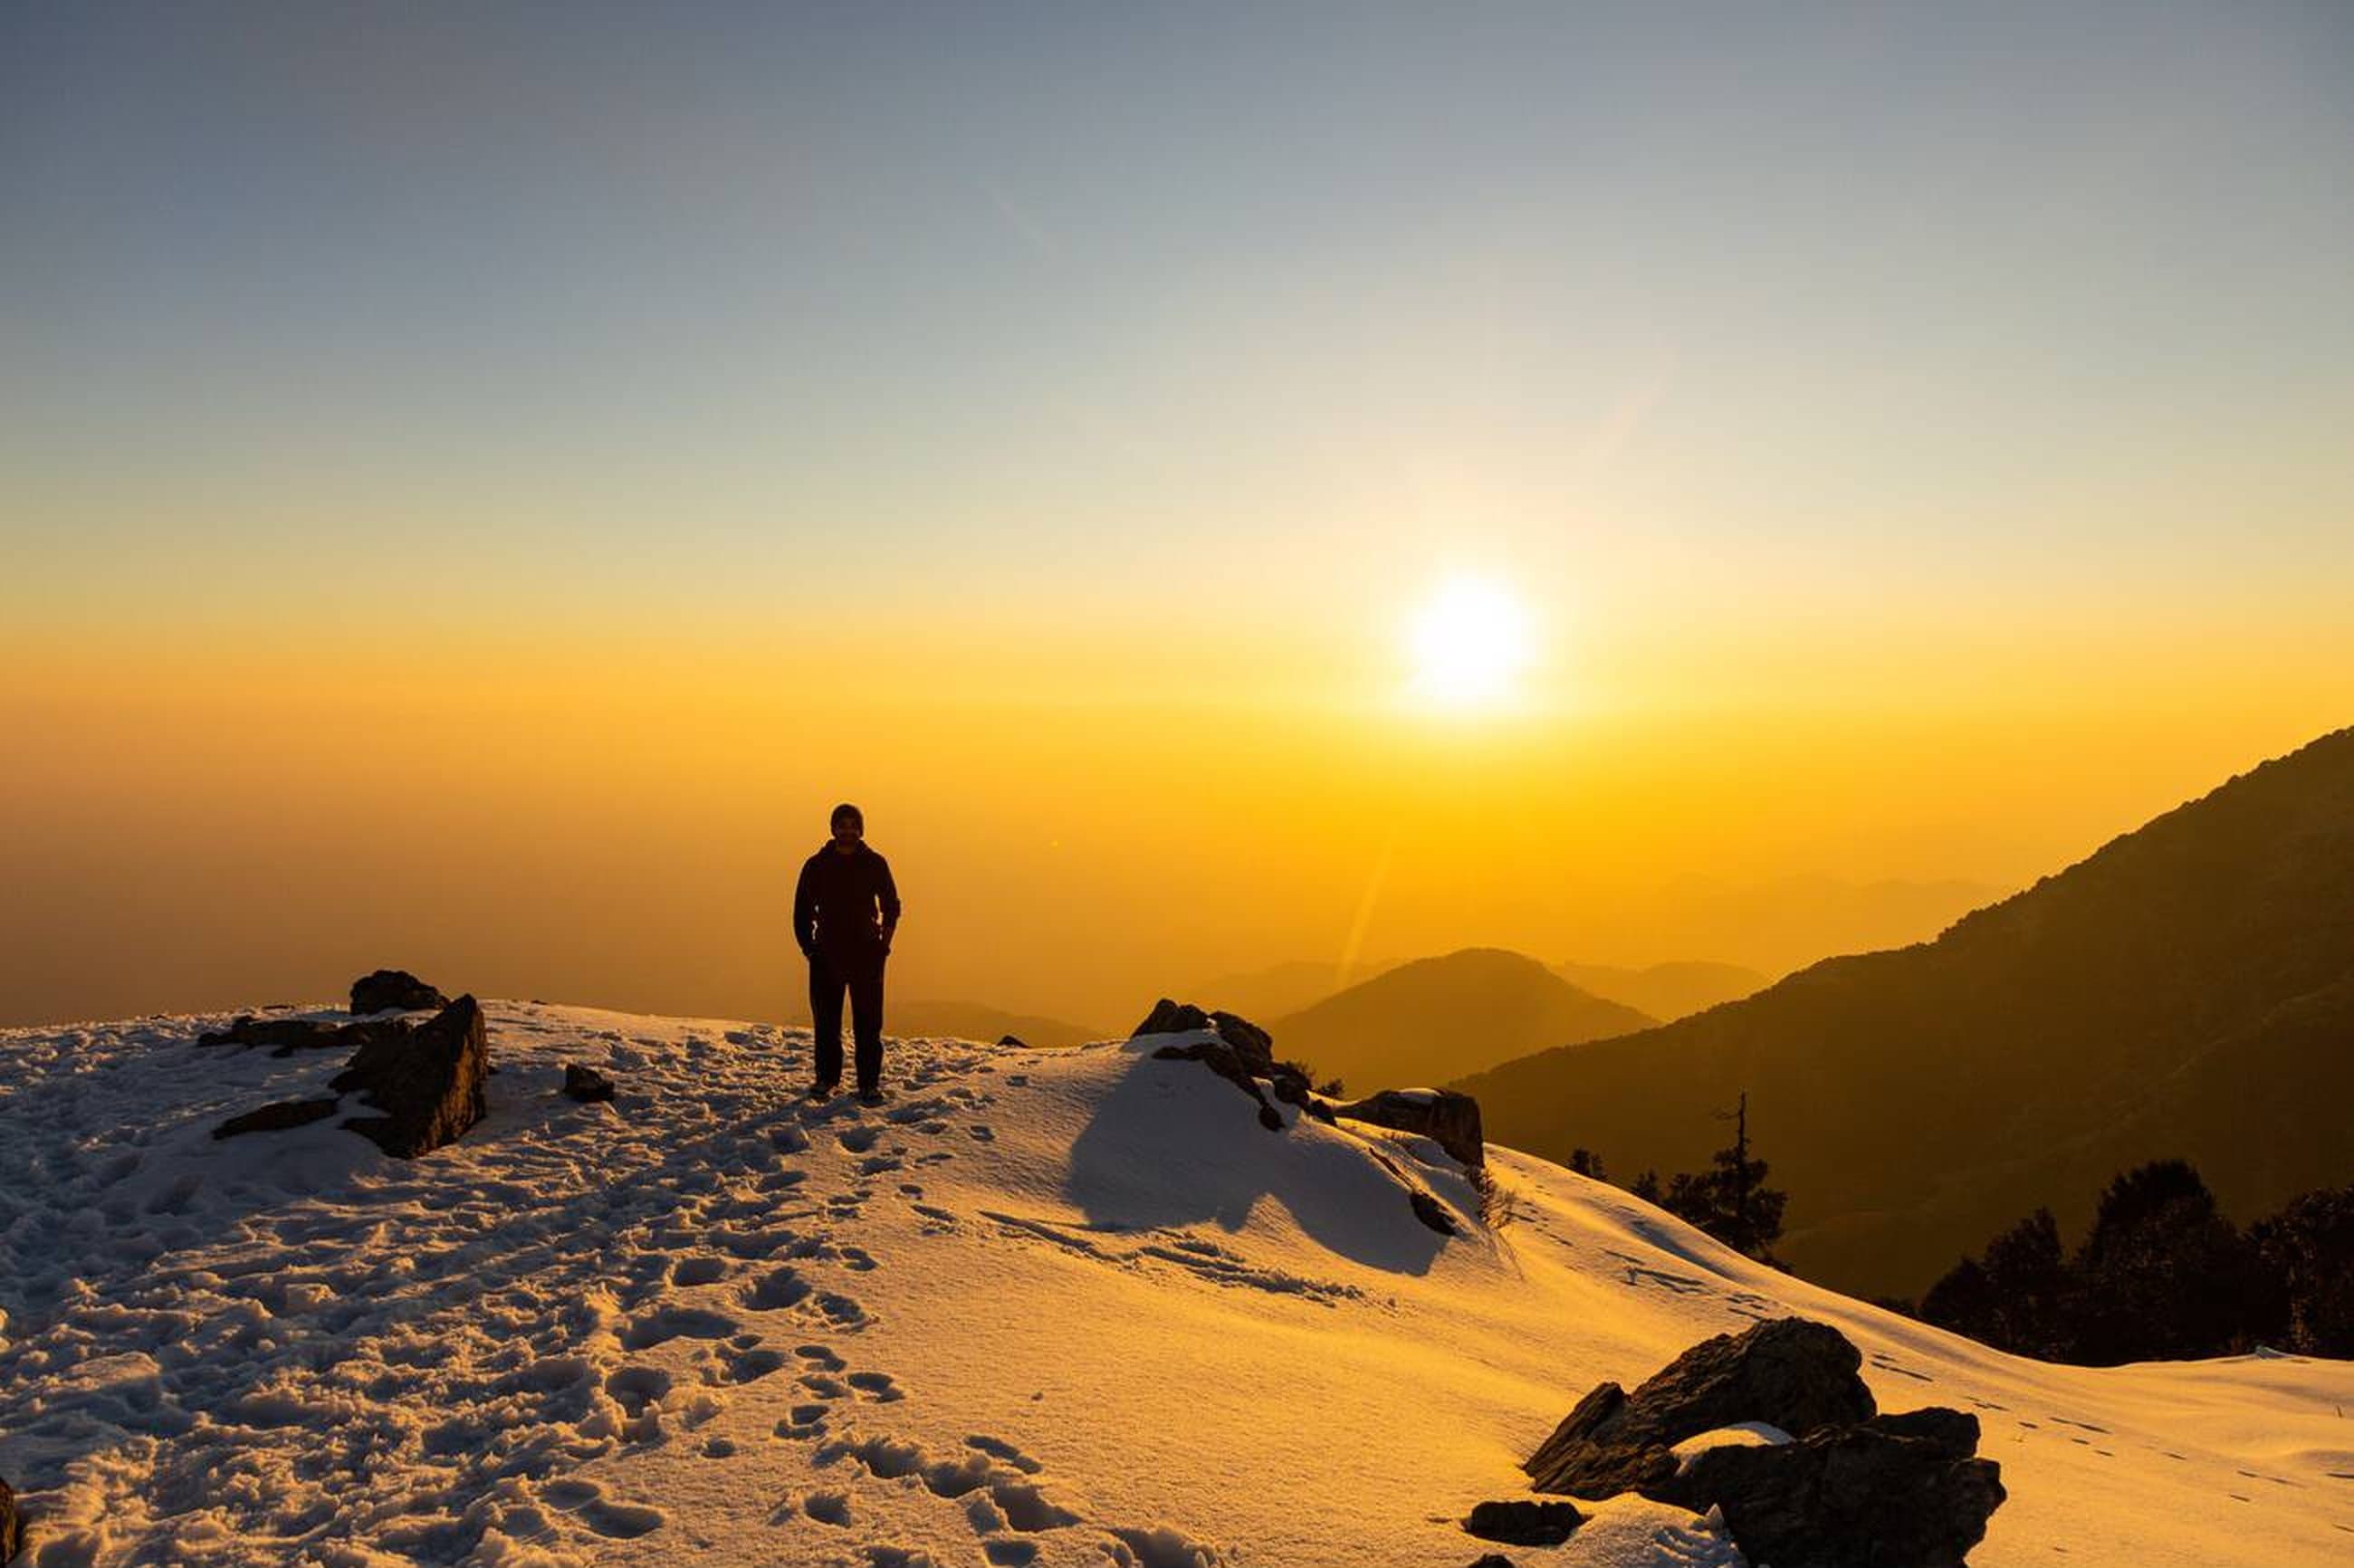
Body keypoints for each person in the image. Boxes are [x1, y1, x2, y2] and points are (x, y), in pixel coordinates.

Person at [793, 803, 901, 1104]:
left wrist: (883, 946)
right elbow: (802, 910)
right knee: (826, 1022)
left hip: (867, 952)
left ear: (861, 829)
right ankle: (826, 1079)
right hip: (826, 953)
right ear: (833, 829)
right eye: (842, 825)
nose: (848, 831)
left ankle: (868, 1084)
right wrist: (809, 948)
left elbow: (892, 906)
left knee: (868, 1023)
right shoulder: (816, 865)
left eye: (853, 825)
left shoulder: (875, 863)